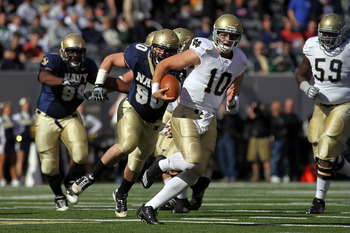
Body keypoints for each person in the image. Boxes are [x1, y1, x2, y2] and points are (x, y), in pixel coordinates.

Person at [138, 14, 247, 224]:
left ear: (238, 38)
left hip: (210, 117)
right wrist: (155, 90)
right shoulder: (203, 49)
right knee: (191, 160)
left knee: (195, 173)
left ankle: (149, 207)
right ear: (215, 34)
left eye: (230, 35)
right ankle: (162, 164)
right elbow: (164, 66)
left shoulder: (240, 61)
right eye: (222, 34)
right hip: (187, 111)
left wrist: (232, 102)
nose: (225, 39)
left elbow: (233, 105)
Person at [71, 29, 180, 218]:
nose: (162, 54)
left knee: (138, 163)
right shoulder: (139, 55)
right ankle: (89, 177)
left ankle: (121, 194)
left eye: (168, 51)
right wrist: (98, 84)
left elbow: (185, 98)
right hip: (132, 109)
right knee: (127, 144)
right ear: (151, 47)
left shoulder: (178, 69)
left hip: (153, 121)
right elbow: (111, 60)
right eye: (159, 49)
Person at [34, 33, 130, 211]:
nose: (75, 56)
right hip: (46, 117)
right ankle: (58, 195)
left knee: (81, 156)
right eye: (71, 52)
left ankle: (70, 180)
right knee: (48, 166)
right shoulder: (53, 61)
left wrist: (132, 89)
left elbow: (107, 82)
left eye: (79, 52)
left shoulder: (88, 66)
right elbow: (43, 77)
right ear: (63, 51)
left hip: (71, 116)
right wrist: (63, 80)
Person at [295, 13, 350, 214]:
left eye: (331, 34)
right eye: (323, 34)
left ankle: (319, 201)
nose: (326, 38)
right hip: (320, 105)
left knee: (327, 147)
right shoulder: (312, 45)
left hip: (344, 105)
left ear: (342, 34)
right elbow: (301, 73)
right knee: (320, 153)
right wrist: (305, 87)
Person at [154, 27, 211, 213]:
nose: (172, 52)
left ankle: (181, 199)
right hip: (174, 112)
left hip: (186, 114)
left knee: (174, 156)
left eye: (176, 47)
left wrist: (173, 121)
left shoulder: (195, 67)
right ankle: (189, 190)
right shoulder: (177, 63)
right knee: (164, 154)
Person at [246, 101, 271, 182]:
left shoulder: (264, 114)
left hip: (263, 138)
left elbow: (266, 119)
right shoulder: (251, 116)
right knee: (254, 159)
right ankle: (256, 175)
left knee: (265, 158)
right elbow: (247, 121)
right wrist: (251, 114)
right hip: (254, 138)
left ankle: (267, 175)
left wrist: (260, 112)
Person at [12, 97, 35, 185]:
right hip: (21, 141)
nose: (26, 106)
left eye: (27, 105)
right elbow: (15, 129)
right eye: (24, 105)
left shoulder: (32, 116)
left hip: (30, 140)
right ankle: (19, 177)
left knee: (29, 159)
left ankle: (27, 177)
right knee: (20, 159)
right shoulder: (17, 117)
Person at [269, 101, 288, 183]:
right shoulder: (271, 118)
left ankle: (282, 174)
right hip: (276, 140)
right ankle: (274, 174)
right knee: (275, 157)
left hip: (283, 139)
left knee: (283, 158)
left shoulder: (282, 117)